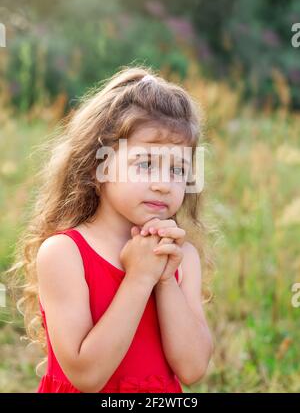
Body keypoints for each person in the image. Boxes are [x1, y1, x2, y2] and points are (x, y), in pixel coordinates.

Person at [7, 66, 213, 393]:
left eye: (178, 169)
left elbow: (192, 368)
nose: (163, 184)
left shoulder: (181, 256)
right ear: (98, 166)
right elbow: (87, 377)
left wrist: (163, 281)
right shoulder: (64, 252)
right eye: (145, 164)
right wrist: (139, 277)